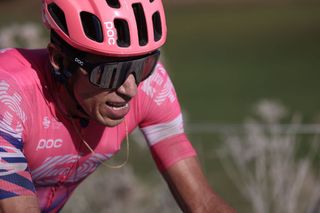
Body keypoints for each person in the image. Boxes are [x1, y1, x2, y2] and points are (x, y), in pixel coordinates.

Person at [0, 0, 235, 212]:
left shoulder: (151, 86)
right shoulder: (9, 95)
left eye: (143, 66)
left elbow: (203, 205)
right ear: (60, 61)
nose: (130, 89)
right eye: (110, 72)